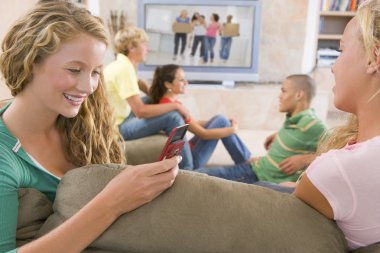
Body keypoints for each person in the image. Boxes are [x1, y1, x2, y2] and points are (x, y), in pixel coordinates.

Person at [0, 2, 181, 252]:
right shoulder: (4, 156)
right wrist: (113, 202)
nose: (88, 87)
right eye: (74, 70)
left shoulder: (82, 121)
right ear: (30, 62)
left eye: (96, 72)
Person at [294, 0, 380, 249]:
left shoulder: (341, 169)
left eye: (340, 51)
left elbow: (283, 217)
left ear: (374, 58)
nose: (333, 66)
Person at [196, 74, 327, 185]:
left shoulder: (313, 124)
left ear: (299, 95)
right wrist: (280, 135)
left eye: (284, 91)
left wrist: (307, 159)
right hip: (256, 166)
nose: (280, 96)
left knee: (196, 177)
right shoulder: (295, 118)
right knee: (196, 174)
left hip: (255, 177)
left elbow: (341, 148)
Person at [103, 26, 194, 169]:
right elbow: (140, 111)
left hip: (119, 118)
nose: (148, 49)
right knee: (173, 117)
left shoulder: (123, 64)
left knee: (151, 100)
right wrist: (176, 105)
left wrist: (155, 90)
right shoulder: (124, 69)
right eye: (144, 44)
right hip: (118, 129)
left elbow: (139, 84)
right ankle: (189, 168)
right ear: (131, 47)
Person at [149, 64, 252, 169]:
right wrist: (232, 129)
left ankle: (244, 159)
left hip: (188, 151)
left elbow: (193, 123)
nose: (186, 83)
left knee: (221, 120)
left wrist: (222, 122)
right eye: (181, 80)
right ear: (168, 84)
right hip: (191, 160)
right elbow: (204, 134)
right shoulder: (172, 107)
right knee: (221, 120)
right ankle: (245, 161)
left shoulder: (168, 103)